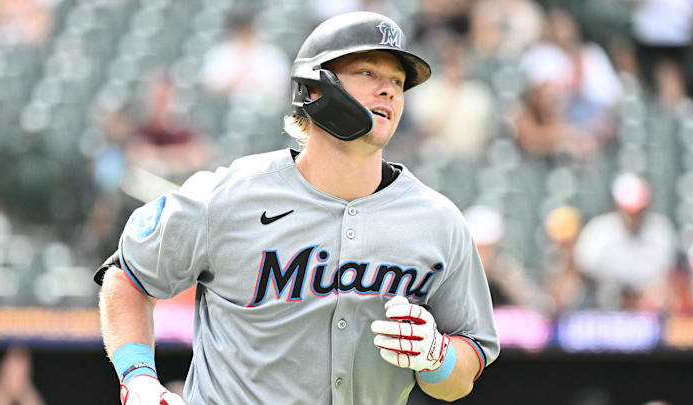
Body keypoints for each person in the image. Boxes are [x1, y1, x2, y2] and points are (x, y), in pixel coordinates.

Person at [95, 12, 499, 405]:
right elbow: (128, 276)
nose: (389, 90)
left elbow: (463, 372)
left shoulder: (439, 221)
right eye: (367, 73)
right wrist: (139, 380)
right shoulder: (227, 196)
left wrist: (439, 358)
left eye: (396, 81)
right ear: (316, 87)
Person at [574, 172, 677, 310]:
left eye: (638, 210)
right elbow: (584, 274)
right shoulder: (598, 232)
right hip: (603, 305)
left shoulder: (661, 231)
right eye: (628, 211)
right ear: (617, 206)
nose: (633, 216)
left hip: (649, 307)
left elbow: (669, 277)